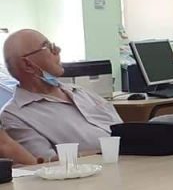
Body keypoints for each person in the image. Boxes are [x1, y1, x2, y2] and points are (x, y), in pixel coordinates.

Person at [1, 29, 123, 159]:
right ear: (28, 65)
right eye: (48, 47)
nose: (58, 50)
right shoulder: (15, 116)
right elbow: (47, 163)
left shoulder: (79, 91)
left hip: (131, 161)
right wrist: (108, 151)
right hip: (98, 169)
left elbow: (123, 130)